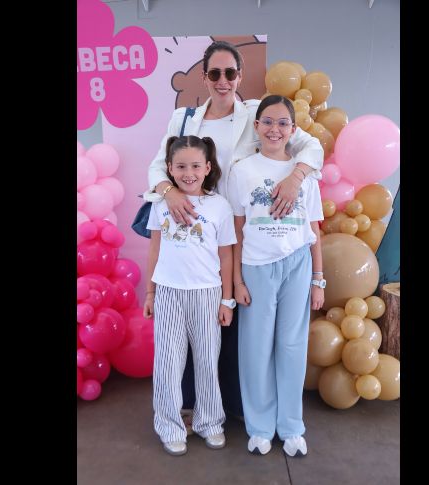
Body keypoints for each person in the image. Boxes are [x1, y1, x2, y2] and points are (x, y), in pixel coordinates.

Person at [143, 40, 324, 421]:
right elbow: (158, 166)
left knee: (229, 318)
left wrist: (296, 177)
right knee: (190, 320)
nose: (222, 81)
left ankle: (234, 409)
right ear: (205, 77)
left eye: (230, 73)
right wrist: (170, 192)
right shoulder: (184, 118)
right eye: (214, 73)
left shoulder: (255, 113)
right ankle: (189, 406)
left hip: (238, 229)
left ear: (240, 76)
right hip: (193, 223)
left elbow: (310, 145)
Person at [227, 95, 325, 457]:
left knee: (292, 347)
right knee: (255, 348)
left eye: (283, 123)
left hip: (297, 265)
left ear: (293, 130)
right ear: (256, 126)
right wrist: (236, 281)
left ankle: (291, 425)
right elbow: (236, 231)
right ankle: (260, 426)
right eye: (268, 121)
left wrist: (318, 278)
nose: (275, 129)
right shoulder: (242, 171)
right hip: (256, 266)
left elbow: (315, 230)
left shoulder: (306, 173)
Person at [143, 135, 237, 456]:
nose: (189, 173)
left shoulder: (219, 206)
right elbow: (154, 247)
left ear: (207, 167)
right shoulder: (160, 204)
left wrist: (227, 299)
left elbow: (226, 256)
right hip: (169, 293)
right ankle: (169, 425)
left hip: (207, 295)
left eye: (196, 166)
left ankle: (209, 422)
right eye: (181, 166)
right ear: (169, 169)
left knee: (207, 360)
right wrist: (150, 291)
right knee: (168, 363)